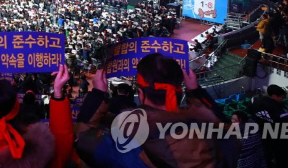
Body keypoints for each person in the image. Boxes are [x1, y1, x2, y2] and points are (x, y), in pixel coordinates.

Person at [75, 53, 240, 167]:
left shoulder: (128, 142)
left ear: (140, 93)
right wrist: (197, 91)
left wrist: (97, 94)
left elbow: (82, 138)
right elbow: (224, 127)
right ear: (180, 90)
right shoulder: (216, 135)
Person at [249, 85, 288, 168]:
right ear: (274, 96)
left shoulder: (254, 101)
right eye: (282, 96)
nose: (283, 98)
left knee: (266, 155)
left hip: (262, 133)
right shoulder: (281, 110)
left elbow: (251, 112)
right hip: (277, 138)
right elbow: (286, 127)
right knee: (280, 158)